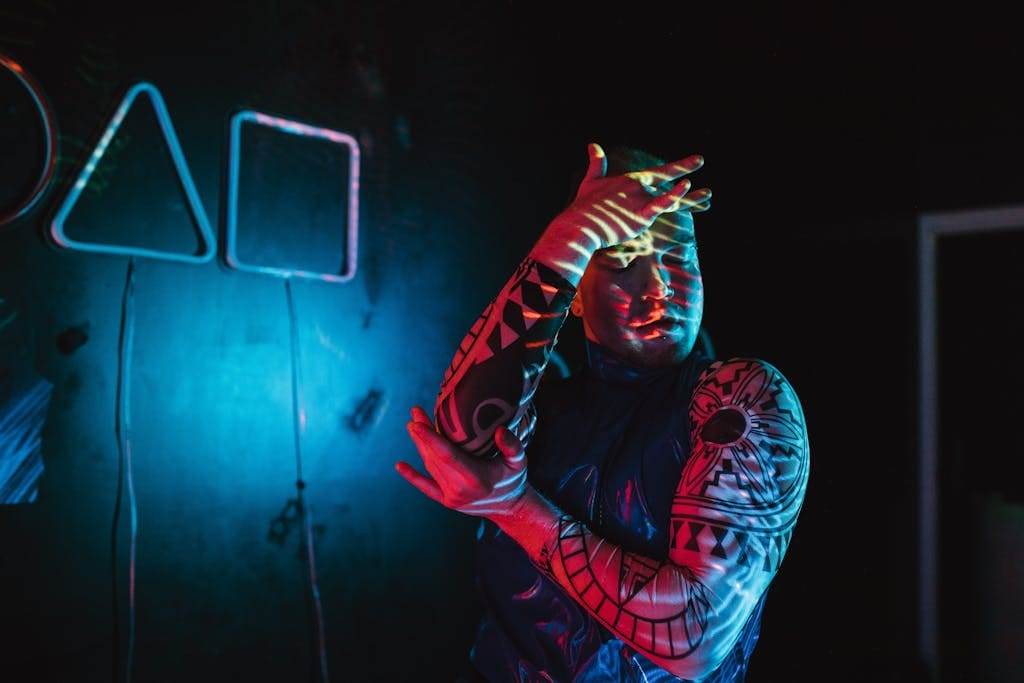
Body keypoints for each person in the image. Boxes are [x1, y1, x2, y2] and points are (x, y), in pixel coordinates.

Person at [396, 143, 810, 681]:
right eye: (620, 260)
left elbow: (695, 635)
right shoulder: (546, 405)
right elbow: (460, 439)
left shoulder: (742, 397)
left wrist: (514, 508)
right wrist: (571, 237)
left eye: (676, 255)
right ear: (576, 292)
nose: (657, 289)